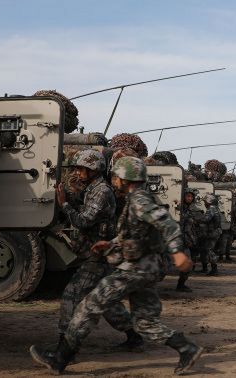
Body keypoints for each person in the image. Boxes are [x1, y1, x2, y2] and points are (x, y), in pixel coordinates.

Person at [29, 156, 203, 375]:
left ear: (124, 178)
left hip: (135, 268)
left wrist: (178, 253)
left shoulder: (139, 200)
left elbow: (166, 223)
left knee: (89, 305)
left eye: (116, 176)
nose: (113, 180)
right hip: (147, 268)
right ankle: (187, 348)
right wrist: (111, 243)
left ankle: (60, 358)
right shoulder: (137, 198)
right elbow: (136, 233)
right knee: (144, 322)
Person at [55, 149, 142, 353]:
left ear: (94, 169)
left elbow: (84, 221)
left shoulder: (102, 191)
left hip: (98, 256)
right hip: (98, 253)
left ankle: (63, 348)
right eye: (76, 168)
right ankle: (134, 336)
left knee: (72, 295)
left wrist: (65, 204)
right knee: (105, 300)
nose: (77, 172)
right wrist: (72, 198)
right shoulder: (93, 188)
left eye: (82, 168)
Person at [177, 188, 199, 292]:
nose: (189, 198)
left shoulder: (188, 209)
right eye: (187, 196)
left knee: (187, 264)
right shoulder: (179, 209)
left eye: (191, 196)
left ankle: (181, 285)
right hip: (177, 240)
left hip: (184, 242)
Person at [199, 193, 222, 276]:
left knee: (209, 250)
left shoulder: (211, 209)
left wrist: (197, 219)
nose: (204, 203)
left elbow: (206, 219)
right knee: (206, 249)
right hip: (214, 232)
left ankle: (214, 269)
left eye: (205, 201)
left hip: (212, 233)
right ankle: (206, 268)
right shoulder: (215, 208)